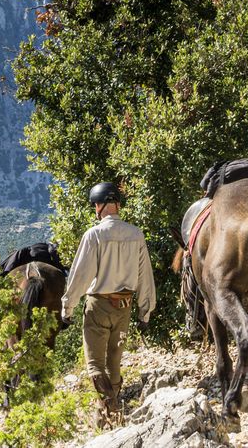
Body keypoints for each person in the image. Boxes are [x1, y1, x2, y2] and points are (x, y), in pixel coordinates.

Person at [61, 181, 156, 426]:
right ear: (117, 204)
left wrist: (67, 307)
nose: (95, 209)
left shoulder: (94, 235)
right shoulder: (136, 234)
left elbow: (80, 275)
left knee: (94, 364)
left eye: (96, 205)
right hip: (124, 308)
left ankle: (107, 412)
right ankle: (112, 411)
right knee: (115, 361)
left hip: (98, 306)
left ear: (101, 206)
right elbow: (145, 275)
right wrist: (145, 312)